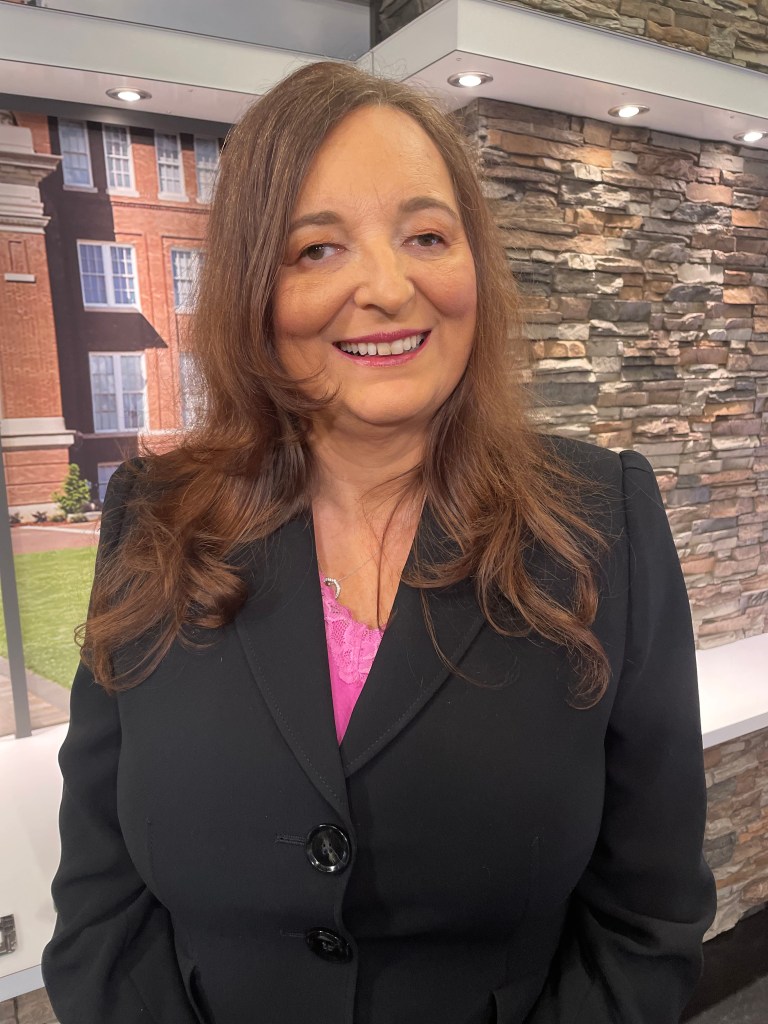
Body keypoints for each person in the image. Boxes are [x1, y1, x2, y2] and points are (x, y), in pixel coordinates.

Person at [42, 60, 717, 1024]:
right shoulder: (156, 516)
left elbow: (649, 917)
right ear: (252, 292)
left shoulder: (602, 518)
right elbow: (101, 900)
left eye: (427, 236)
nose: (388, 287)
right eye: (317, 249)